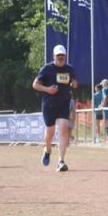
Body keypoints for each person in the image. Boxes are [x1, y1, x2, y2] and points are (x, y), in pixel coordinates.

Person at [33, 44, 78, 172]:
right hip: (49, 105)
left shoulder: (69, 69)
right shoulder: (47, 69)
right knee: (50, 133)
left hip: (64, 104)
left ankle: (61, 161)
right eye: (58, 55)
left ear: (65, 56)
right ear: (54, 56)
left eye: (62, 55)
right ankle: (47, 150)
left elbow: (73, 82)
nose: (60, 57)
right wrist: (48, 89)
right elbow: (35, 85)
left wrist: (74, 84)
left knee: (64, 129)